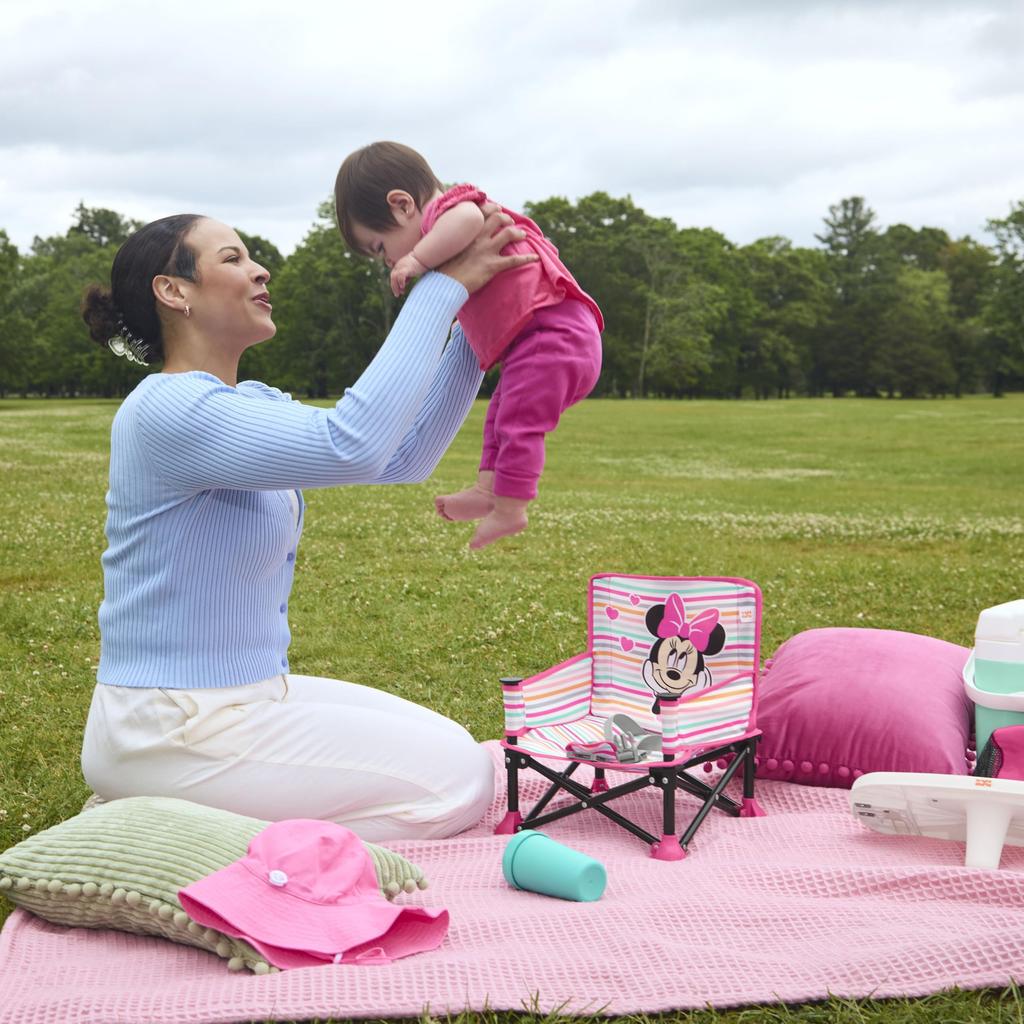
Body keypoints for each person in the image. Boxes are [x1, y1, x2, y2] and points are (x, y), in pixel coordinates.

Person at [78, 209, 538, 841]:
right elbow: (351, 443)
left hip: (248, 693)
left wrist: (474, 332)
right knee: (460, 782)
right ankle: (177, 835)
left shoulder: (248, 403)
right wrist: (443, 285)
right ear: (173, 290)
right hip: (170, 726)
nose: (260, 268)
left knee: (458, 747)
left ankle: (183, 814)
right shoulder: (166, 410)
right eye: (232, 258)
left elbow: (400, 458)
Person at [334, 141, 604, 550]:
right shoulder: (448, 236)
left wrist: (418, 260)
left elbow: (464, 220)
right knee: (499, 414)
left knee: (517, 421)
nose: (389, 261)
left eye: (380, 248)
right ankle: (488, 487)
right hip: (537, 344)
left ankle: (511, 508)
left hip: (556, 335)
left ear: (402, 205)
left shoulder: (453, 209)